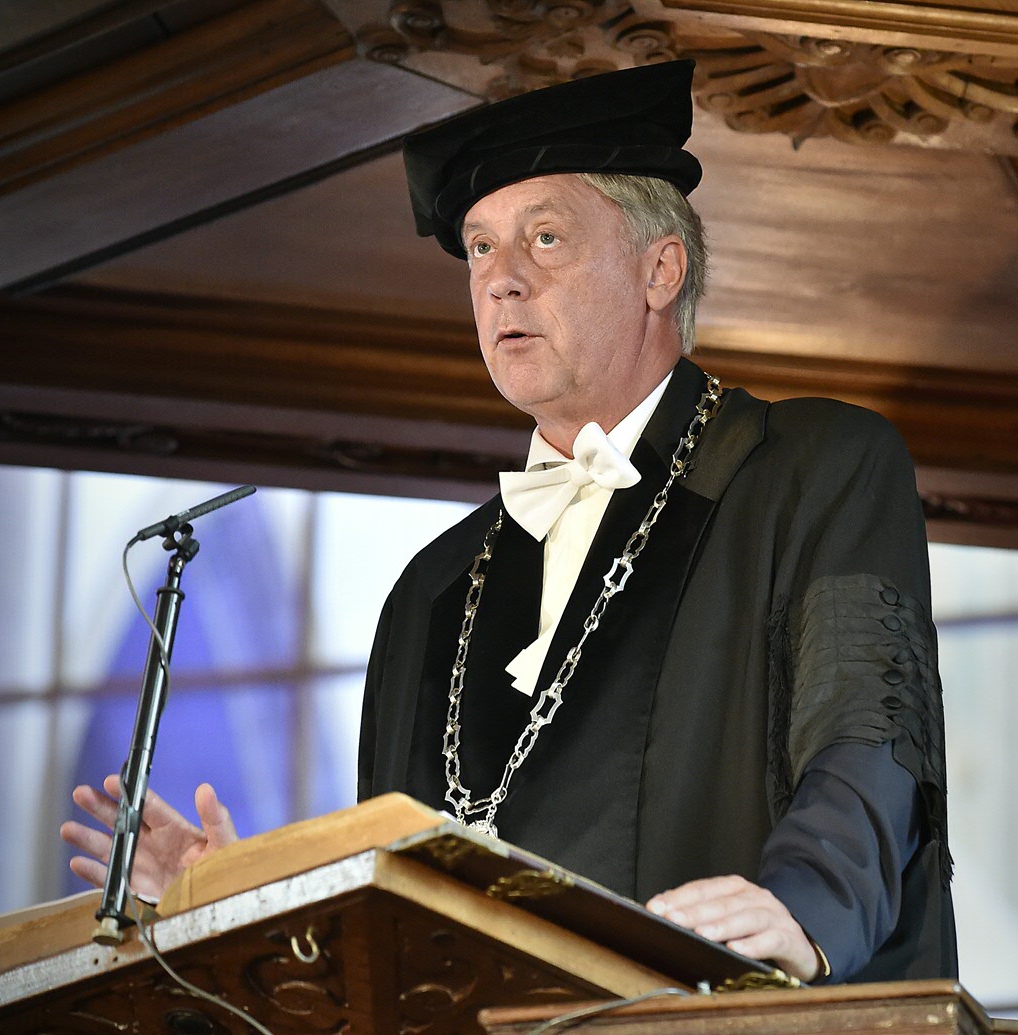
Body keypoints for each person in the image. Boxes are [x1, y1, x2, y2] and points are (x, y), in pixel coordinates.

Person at [63, 60, 955, 984]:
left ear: (661, 269)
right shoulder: (431, 589)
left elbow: (871, 730)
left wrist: (805, 904)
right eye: (482, 249)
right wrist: (242, 897)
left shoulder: (815, 467)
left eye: (547, 238)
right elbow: (402, 882)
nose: (501, 282)